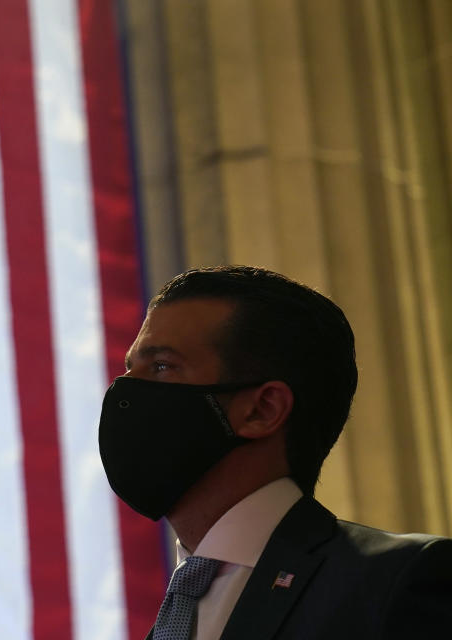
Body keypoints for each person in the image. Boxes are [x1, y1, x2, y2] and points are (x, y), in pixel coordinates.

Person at [97, 265, 452, 639]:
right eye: (129, 369)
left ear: (262, 410)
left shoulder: (398, 581)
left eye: (162, 366)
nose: (123, 391)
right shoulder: (175, 617)